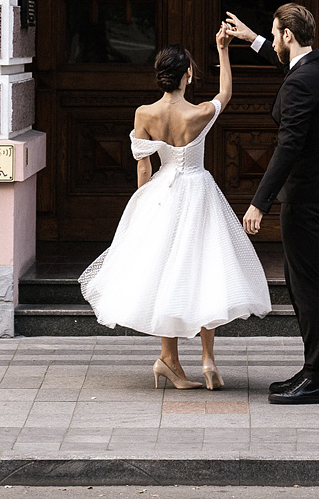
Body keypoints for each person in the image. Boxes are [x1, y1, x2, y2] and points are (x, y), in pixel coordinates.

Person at [77, 35, 271, 389]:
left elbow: (143, 169)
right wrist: (223, 50)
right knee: (206, 269)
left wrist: (144, 208)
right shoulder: (198, 114)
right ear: (187, 77)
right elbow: (225, 94)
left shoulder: (144, 114)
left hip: (161, 195)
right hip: (198, 192)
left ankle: (170, 360)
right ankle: (208, 360)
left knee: (169, 272)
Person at [222, 4, 319, 405]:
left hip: (303, 197)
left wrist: (259, 203)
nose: (273, 41)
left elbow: (288, 146)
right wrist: (251, 37)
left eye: (274, 35)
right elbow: (293, 75)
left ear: (288, 36)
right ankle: (312, 370)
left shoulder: (299, 84)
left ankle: (318, 376)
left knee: (303, 285)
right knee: (302, 281)